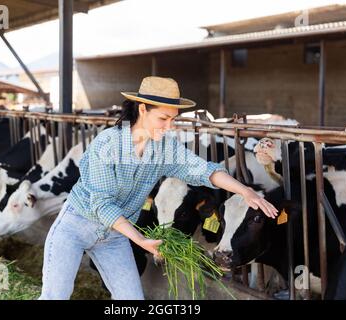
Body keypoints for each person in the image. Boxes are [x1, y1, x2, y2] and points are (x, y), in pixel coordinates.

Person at [39, 76, 278, 300]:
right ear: (142, 109)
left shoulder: (163, 147)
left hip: (114, 237)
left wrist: (245, 191)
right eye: (163, 119)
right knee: (55, 296)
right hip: (75, 226)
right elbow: (102, 204)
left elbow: (203, 170)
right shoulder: (108, 143)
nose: (169, 127)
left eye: (173, 119)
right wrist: (140, 239)